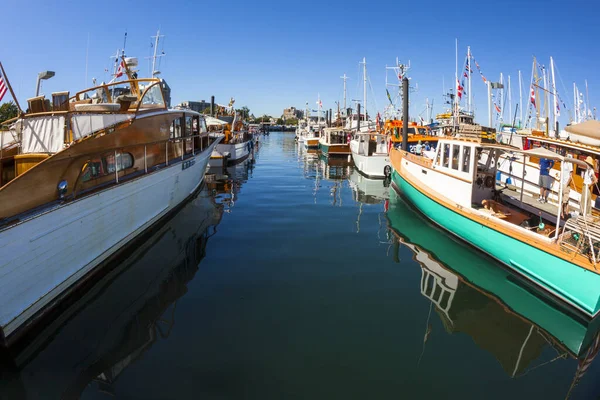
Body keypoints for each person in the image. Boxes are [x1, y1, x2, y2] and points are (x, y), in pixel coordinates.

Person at [560, 154, 574, 219]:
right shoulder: (562, 162)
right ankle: (562, 213)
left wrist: (566, 184)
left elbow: (571, 176)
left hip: (566, 184)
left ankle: (565, 213)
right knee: (561, 200)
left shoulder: (569, 164)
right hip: (561, 183)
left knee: (565, 201)